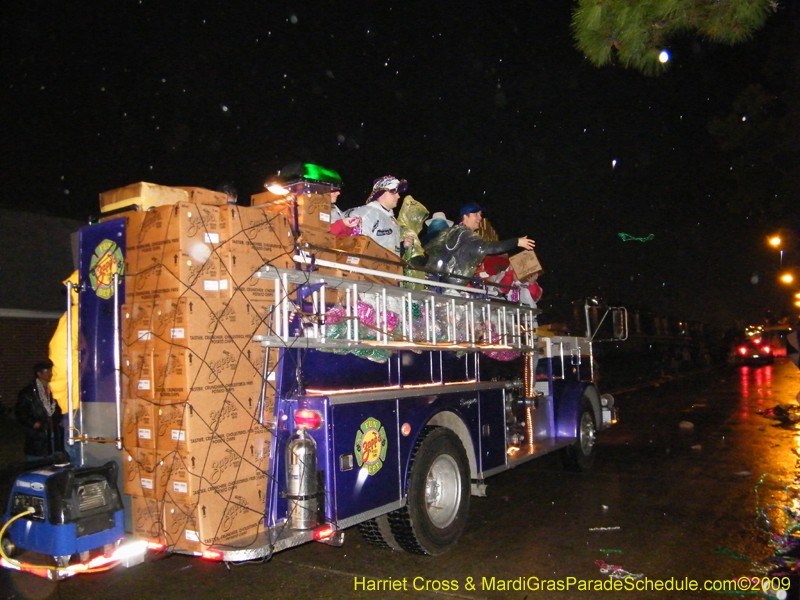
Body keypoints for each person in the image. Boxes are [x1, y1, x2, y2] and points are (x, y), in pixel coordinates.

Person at [425, 203, 535, 285]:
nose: (480, 218)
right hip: (446, 286)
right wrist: (516, 241)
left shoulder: (454, 232)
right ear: (465, 216)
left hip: (439, 283)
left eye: (480, 214)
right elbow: (488, 248)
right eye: (475, 214)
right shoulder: (464, 234)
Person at [345, 175, 413, 256]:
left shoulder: (392, 219)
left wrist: (402, 247)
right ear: (382, 193)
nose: (398, 196)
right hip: (366, 267)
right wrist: (382, 253)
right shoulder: (365, 214)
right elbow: (356, 246)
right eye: (394, 192)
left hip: (387, 267)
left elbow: (390, 251)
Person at [15, 359, 65, 461]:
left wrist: (60, 418)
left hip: (55, 432)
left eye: (51, 371)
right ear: (39, 374)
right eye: (47, 371)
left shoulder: (55, 389)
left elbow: (59, 406)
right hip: (38, 435)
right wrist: (33, 423)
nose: (50, 374)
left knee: (55, 462)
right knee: (37, 463)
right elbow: (20, 412)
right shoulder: (29, 392)